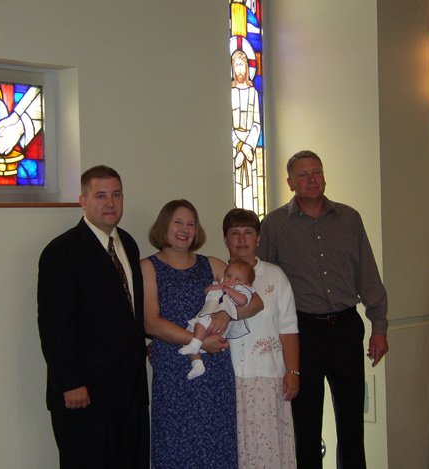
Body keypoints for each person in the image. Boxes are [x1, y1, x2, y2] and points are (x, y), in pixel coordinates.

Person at [257, 150, 389, 469]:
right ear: (290, 182)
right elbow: (263, 279)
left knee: (351, 423)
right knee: (305, 425)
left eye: (317, 171)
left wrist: (379, 327)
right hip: (303, 334)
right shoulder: (274, 224)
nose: (312, 179)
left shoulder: (350, 218)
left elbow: (368, 274)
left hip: (346, 327)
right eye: (303, 174)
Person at [37, 165, 149, 468]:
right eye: (100, 196)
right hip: (85, 395)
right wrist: (70, 382)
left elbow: (128, 312)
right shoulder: (62, 251)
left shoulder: (128, 242)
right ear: (83, 201)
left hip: (130, 392)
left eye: (116, 195)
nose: (110, 203)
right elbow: (54, 326)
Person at [141, 199, 262, 469]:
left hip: (215, 376)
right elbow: (151, 323)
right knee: (176, 450)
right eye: (178, 222)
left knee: (216, 450)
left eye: (191, 224)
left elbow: (255, 302)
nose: (185, 229)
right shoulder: (148, 267)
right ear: (164, 225)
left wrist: (225, 314)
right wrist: (200, 342)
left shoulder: (214, 265)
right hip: (174, 375)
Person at [221, 208, 300, 468]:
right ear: (225, 239)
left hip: (268, 380)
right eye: (235, 233)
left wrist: (292, 372)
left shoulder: (275, 276)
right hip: (226, 380)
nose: (242, 239)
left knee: (267, 452)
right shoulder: (217, 275)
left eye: (248, 232)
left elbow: (288, 327)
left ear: (258, 238)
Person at [179, 259, 256, 380]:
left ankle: (196, 344)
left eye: (237, 279)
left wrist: (229, 291)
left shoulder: (243, 290)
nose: (231, 281)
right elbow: (206, 291)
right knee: (190, 336)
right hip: (206, 318)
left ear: (247, 284)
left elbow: (243, 301)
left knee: (199, 329)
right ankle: (197, 364)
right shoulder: (221, 284)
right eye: (228, 276)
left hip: (218, 325)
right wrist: (218, 286)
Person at [231, 47, 261, 213]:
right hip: (236, 146)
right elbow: (227, 125)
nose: (239, 69)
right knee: (236, 187)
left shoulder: (253, 93)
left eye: (242, 65)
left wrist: (246, 148)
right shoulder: (231, 93)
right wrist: (238, 146)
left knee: (250, 192)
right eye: (236, 65)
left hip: (249, 148)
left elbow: (256, 124)